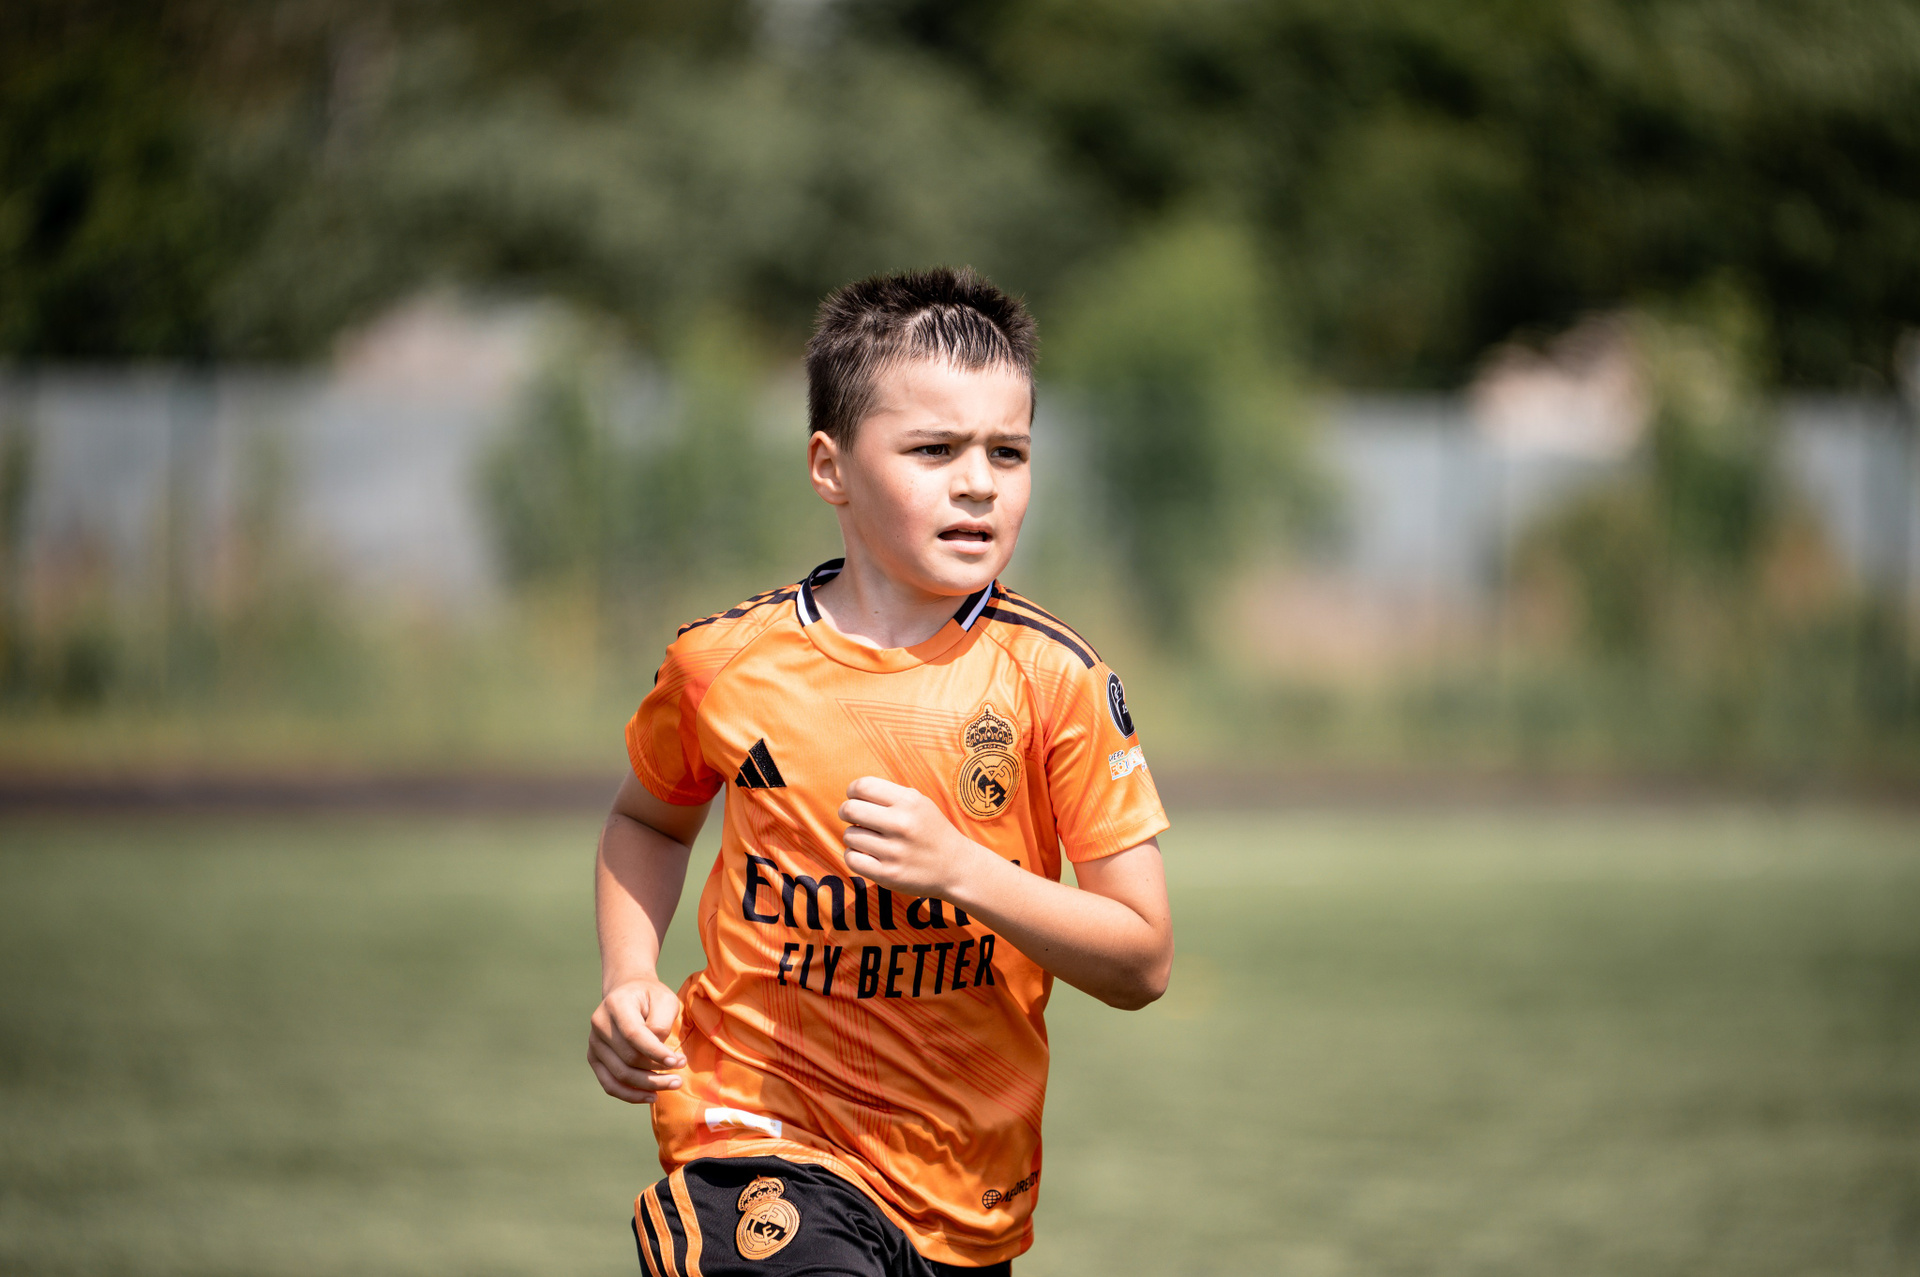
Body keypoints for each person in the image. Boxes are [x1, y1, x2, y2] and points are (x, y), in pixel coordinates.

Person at [589, 267, 1174, 1276]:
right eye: (935, 449)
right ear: (831, 467)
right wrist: (629, 975)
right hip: (754, 1132)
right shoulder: (723, 664)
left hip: (962, 1192)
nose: (979, 481)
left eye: (1007, 451)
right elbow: (648, 819)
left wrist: (963, 872)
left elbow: (1142, 957)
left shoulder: (1056, 678)